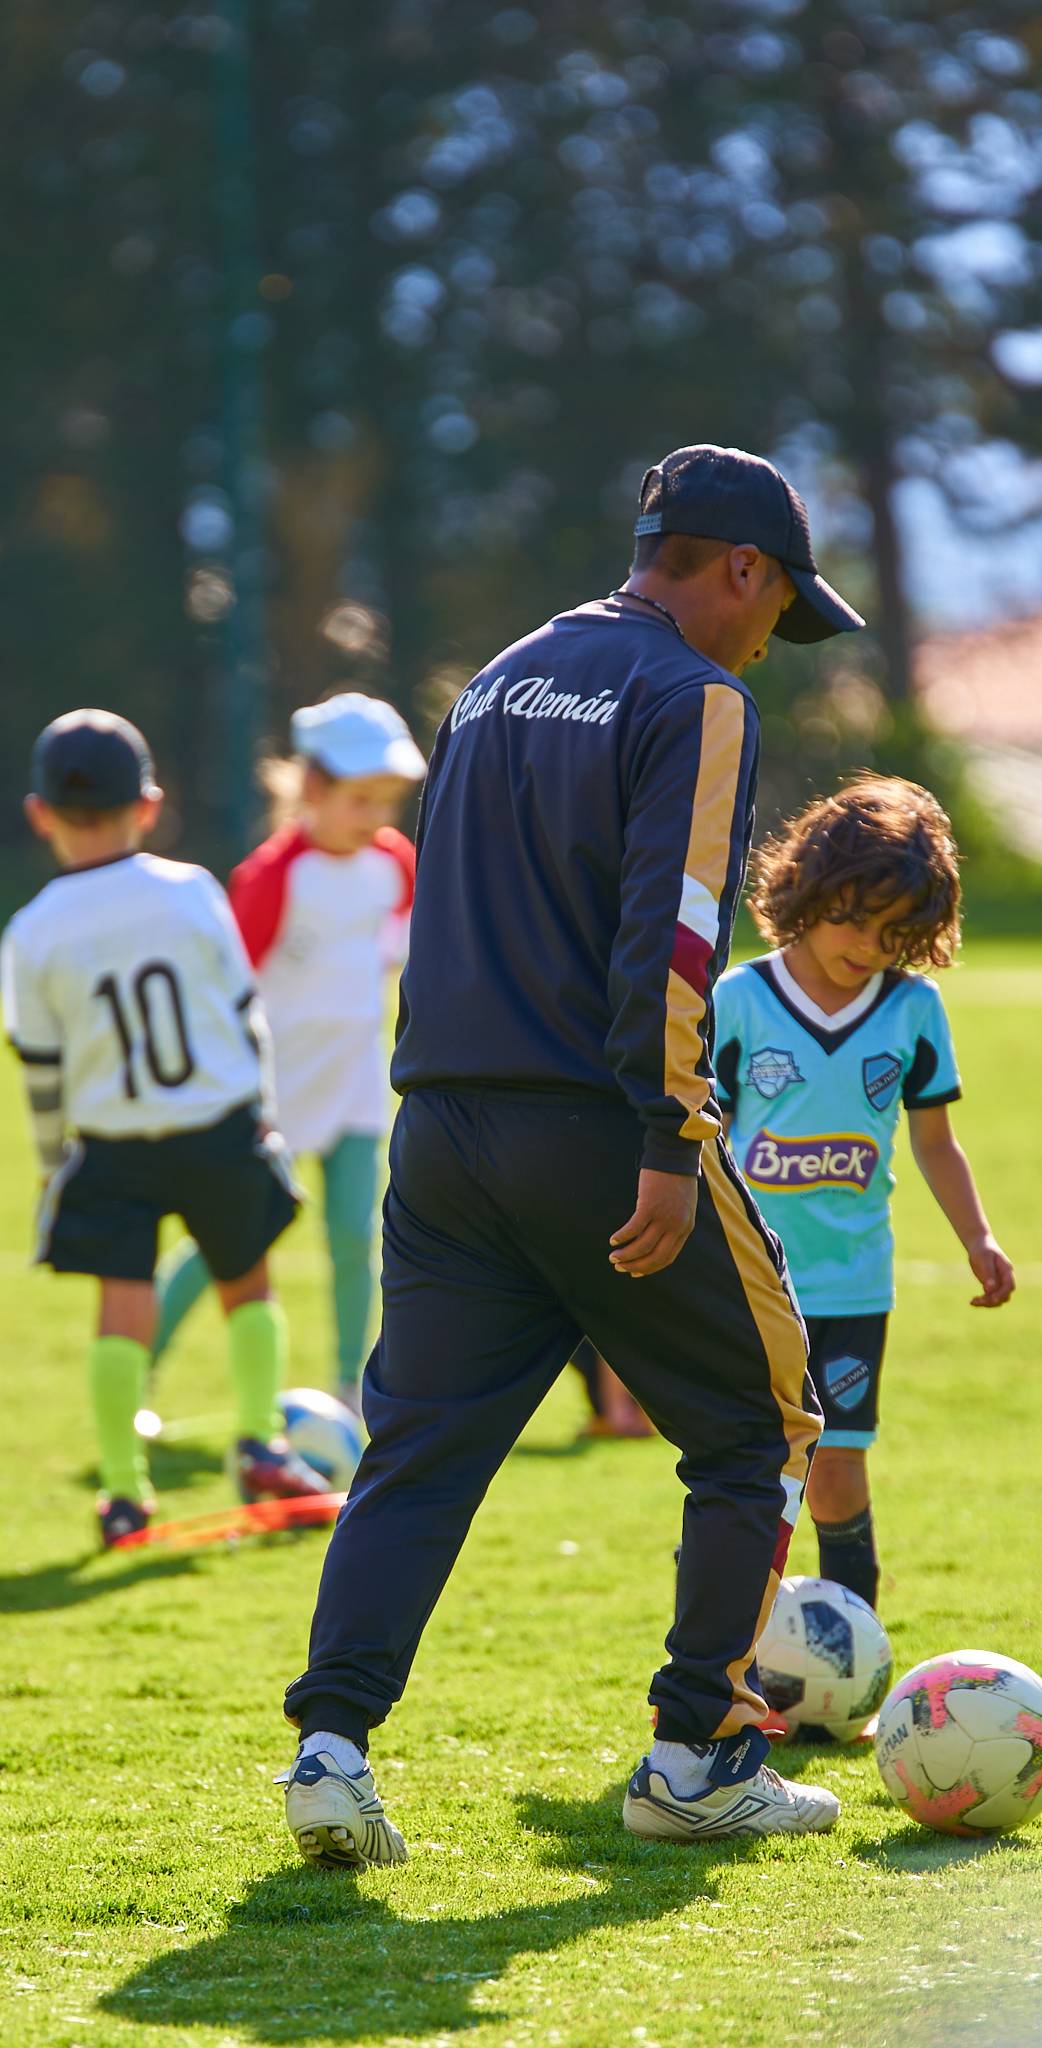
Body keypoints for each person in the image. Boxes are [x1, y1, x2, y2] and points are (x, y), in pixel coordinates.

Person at [279, 442, 866, 1870]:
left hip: (441, 1130)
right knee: (765, 1419)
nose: (769, 645)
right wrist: (670, 1136)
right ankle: (700, 1757)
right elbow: (673, 934)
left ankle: (329, 1751)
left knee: (411, 1456)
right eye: (778, 608)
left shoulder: (494, 678)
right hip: (596, 1129)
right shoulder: (695, 693)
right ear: (737, 569)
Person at [1, 710, 328, 1548]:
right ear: (149, 804)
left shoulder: (32, 929)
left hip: (110, 1143)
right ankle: (262, 1443)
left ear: (40, 815)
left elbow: (38, 1069)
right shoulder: (190, 892)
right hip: (215, 1126)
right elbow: (242, 1012)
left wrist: (51, 1163)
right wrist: (262, 1114)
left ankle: (121, 1492)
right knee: (246, 1282)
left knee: (123, 1306)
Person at [713, 775, 1015, 1628]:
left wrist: (978, 1237)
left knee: (838, 1470)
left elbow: (933, 1141)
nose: (869, 945)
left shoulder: (914, 1012)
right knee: (750, 1469)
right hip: (750, 1282)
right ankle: (732, 1663)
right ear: (806, 891)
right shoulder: (740, 999)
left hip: (851, 1284)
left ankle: (849, 1659)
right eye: (852, 917)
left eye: (896, 933)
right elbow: (702, 1139)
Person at [148, 693, 424, 1415]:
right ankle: (137, 1364)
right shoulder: (271, 876)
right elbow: (224, 987)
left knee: (355, 1237)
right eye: (360, 799)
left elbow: (400, 951)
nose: (375, 818)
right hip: (271, 1089)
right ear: (312, 789)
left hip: (358, 1082)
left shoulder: (395, 863)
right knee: (227, 1238)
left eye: (386, 802)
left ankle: (352, 1390)